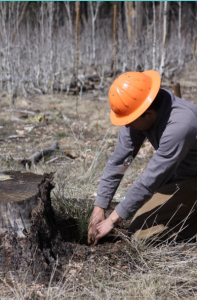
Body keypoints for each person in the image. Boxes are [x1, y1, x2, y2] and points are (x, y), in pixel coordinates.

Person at [88, 70, 197, 245]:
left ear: (149, 114)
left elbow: (152, 178)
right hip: (179, 176)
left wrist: (113, 220)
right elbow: (121, 162)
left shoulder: (181, 125)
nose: (127, 126)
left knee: (141, 235)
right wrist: (99, 207)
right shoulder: (138, 115)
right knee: (137, 222)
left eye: (130, 121)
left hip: (192, 177)